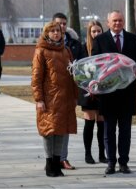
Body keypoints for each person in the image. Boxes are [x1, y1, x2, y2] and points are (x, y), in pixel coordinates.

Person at [91, 10, 136, 174]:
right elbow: (95, 63)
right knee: (109, 131)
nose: (117, 23)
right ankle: (111, 163)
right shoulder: (100, 40)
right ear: (108, 23)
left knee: (125, 131)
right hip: (108, 94)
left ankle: (123, 163)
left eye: (120, 20)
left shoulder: (132, 39)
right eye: (114, 21)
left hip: (127, 93)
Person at [31, 21, 78, 177]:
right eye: (52, 31)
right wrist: (39, 99)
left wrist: (74, 96)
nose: (56, 33)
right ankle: (49, 163)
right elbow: (36, 78)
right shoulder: (41, 51)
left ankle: (57, 163)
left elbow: (73, 75)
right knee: (48, 132)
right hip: (49, 99)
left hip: (64, 98)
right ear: (46, 34)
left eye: (58, 31)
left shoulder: (66, 51)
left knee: (61, 131)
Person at [52, 12, 83, 170]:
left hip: (68, 92)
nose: (62, 27)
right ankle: (52, 159)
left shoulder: (74, 44)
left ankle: (63, 158)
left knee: (65, 127)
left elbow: (82, 66)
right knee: (51, 127)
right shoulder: (45, 44)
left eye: (64, 23)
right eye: (59, 24)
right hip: (51, 93)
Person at [78, 20, 107, 164]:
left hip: (103, 91)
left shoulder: (106, 48)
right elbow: (78, 71)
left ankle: (102, 154)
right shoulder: (83, 49)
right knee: (89, 123)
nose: (96, 34)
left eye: (98, 31)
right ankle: (88, 154)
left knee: (102, 124)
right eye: (93, 31)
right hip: (88, 92)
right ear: (89, 33)